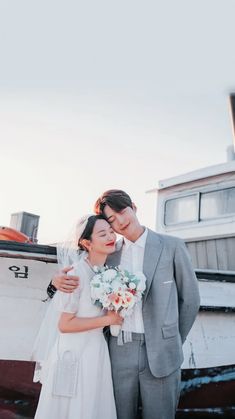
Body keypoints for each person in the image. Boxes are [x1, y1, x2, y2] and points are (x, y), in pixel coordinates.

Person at [50, 190, 200, 419]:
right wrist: (54, 282)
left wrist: (173, 340)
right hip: (118, 350)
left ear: (134, 207)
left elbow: (190, 300)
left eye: (122, 211)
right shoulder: (109, 252)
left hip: (162, 351)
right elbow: (82, 272)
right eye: (111, 220)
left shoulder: (172, 246)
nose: (120, 221)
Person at [34, 214, 122, 419]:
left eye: (111, 231)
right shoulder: (75, 274)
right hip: (73, 354)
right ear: (86, 243)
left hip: (95, 351)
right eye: (102, 234)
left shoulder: (104, 272)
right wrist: (109, 320)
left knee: (91, 407)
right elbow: (65, 324)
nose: (110, 236)